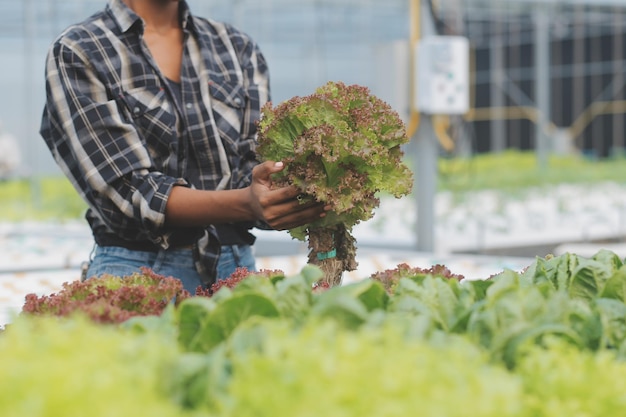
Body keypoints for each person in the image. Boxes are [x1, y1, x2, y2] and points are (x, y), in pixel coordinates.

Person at [40, 0, 328, 293]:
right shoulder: (80, 50)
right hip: (137, 272)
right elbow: (127, 190)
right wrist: (248, 203)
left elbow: (251, 165)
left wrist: (298, 188)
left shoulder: (237, 48)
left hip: (236, 269)